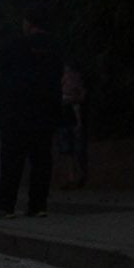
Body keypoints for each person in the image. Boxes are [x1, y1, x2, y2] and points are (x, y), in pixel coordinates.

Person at [0, 6, 65, 218]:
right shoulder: (56, 46)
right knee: (41, 159)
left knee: (12, 159)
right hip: (46, 109)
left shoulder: (17, 43)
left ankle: (5, 206)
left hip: (16, 111)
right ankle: (38, 206)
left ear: (29, 23)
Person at [57, 60, 88, 189]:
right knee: (68, 150)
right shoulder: (63, 80)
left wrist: (69, 99)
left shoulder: (74, 79)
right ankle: (72, 177)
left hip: (72, 118)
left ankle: (78, 176)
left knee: (75, 149)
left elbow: (81, 96)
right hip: (65, 118)